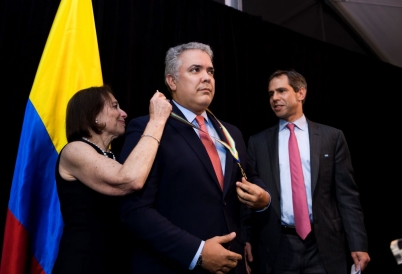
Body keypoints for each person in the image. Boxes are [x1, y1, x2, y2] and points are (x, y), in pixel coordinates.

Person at [118, 42, 271, 274]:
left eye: (210, 71)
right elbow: (134, 210)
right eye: (195, 70)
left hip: (233, 265)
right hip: (175, 264)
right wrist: (197, 252)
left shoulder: (231, 133)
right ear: (172, 81)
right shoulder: (148, 128)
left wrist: (263, 199)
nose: (207, 78)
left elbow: (250, 177)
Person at [245, 69, 370, 274]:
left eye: (281, 91)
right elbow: (248, 198)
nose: (275, 98)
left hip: (324, 245)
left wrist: (358, 242)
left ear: (300, 93)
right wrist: (246, 238)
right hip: (278, 246)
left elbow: (347, 196)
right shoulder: (257, 143)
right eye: (271, 94)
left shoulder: (332, 138)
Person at [52, 85, 172, 274]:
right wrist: (157, 120)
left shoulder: (115, 157)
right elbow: (130, 179)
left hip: (119, 263)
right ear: (94, 116)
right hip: (85, 264)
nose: (123, 113)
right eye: (115, 106)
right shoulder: (73, 150)